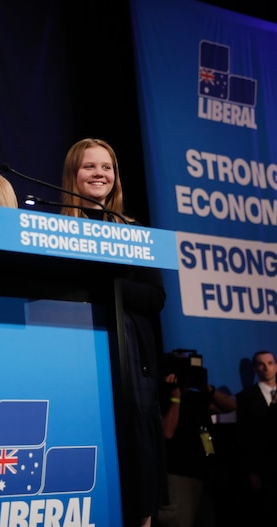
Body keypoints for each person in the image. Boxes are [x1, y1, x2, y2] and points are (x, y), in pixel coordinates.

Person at [60, 138, 167, 527]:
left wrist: (106, 282)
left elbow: (155, 297)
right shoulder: (55, 228)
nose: (99, 174)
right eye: (90, 167)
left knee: (137, 473)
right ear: (74, 173)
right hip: (78, 360)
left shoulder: (133, 231)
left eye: (107, 167)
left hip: (130, 363)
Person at [158, 355, 236, 527]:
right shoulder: (162, 396)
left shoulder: (196, 398)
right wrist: (175, 397)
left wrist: (206, 388)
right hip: (178, 474)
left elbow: (230, 406)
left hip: (203, 473)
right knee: (179, 522)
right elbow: (167, 432)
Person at [235, 350, 277, 526]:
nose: (266, 367)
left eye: (269, 363)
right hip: (263, 470)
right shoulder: (245, 398)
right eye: (261, 364)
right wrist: (251, 471)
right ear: (254, 369)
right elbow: (245, 437)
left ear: (275, 366)